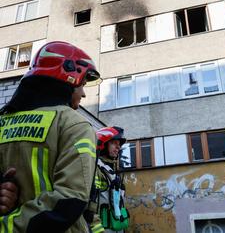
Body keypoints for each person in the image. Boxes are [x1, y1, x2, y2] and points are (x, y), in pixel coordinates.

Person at [0, 41, 101, 232]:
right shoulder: (74, 125)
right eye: (83, 84)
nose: (84, 93)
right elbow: (70, 198)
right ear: (71, 77)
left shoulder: (3, 122)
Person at [89, 126, 129, 233]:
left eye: (119, 144)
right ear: (102, 145)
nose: (118, 147)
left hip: (117, 228)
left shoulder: (114, 171)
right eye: (114, 143)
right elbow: (89, 205)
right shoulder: (95, 169)